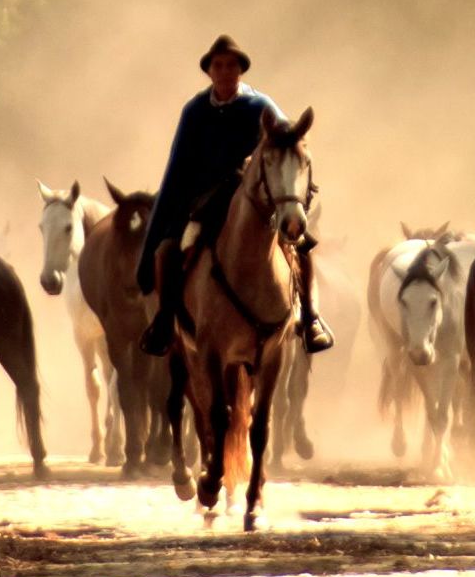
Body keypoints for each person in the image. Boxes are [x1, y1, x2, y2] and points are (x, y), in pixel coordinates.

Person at [138, 35, 333, 356]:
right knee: (170, 249)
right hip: (204, 202)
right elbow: (179, 164)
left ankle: (309, 318)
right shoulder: (195, 110)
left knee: (301, 245)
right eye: (219, 65)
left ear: (240, 70)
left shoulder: (261, 107)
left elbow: (289, 144)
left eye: (231, 65)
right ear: (210, 71)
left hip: (254, 201)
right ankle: (165, 319)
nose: (225, 71)